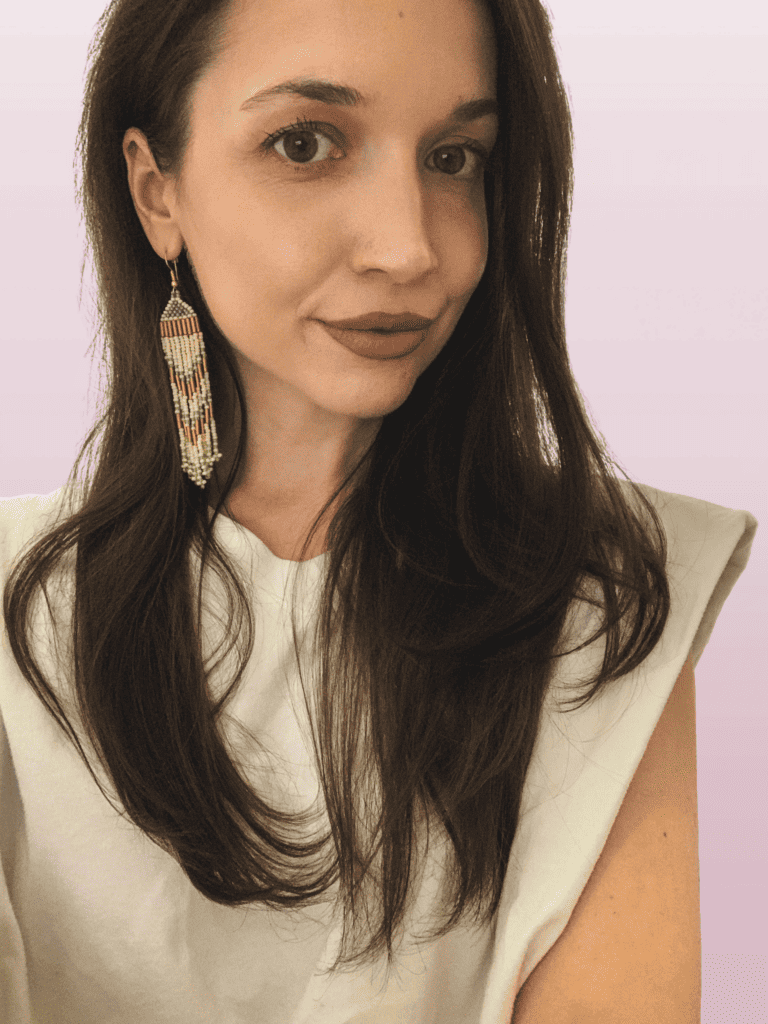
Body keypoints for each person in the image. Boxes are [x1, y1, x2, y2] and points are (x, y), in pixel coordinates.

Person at [0, 0, 758, 1021]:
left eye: (454, 157)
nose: (409, 248)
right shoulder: (14, 619)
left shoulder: (603, 605)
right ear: (156, 189)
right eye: (305, 143)